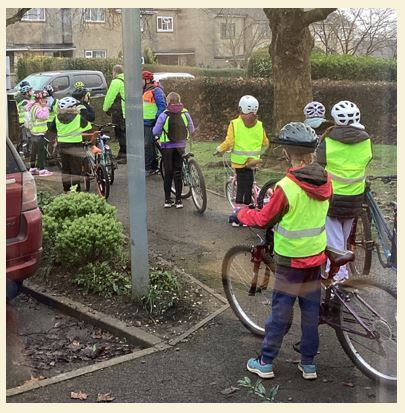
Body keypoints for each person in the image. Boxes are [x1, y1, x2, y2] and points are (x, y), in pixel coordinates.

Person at [233, 122, 332, 381]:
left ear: (287, 153)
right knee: (310, 313)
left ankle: (265, 361)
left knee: (281, 311)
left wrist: (242, 213)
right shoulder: (326, 180)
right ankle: (308, 364)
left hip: (290, 262)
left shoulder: (287, 187)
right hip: (315, 258)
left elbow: (265, 218)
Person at [316, 100, 372, 282]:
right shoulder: (366, 140)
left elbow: (319, 163)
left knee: (334, 241)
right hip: (355, 196)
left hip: (332, 196)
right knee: (344, 236)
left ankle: (339, 277)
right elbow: (366, 160)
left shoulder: (328, 140)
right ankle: (339, 273)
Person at [216, 95, 268, 222]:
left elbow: (229, 142)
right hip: (254, 162)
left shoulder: (235, 124)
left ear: (240, 108)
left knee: (241, 189)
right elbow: (265, 142)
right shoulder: (259, 125)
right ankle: (249, 211)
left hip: (240, 163)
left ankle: (239, 216)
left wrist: (219, 150)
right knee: (248, 186)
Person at [153, 92, 195, 208]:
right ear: (179, 100)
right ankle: (178, 201)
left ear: (168, 101)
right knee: (178, 172)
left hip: (167, 147)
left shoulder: (164, 115)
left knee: (169, 173)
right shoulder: (185, 113)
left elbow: (155, 131)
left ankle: (167, 200)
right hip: (181, 146)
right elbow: (191, 129)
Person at [48, 97, 92, 192]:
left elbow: (52, 131)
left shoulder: (56, 118)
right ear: (72, 107)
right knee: (76, 170)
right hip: (76, 145)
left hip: (63, 146)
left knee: (65, 169)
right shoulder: (78, 117)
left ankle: (66, 190)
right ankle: (76, 191)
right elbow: (88, 127)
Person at [142, 70, 166, 175]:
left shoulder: (156, 91)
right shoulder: (144, 90)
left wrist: (157, 120)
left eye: (141, 80)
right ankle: (153, 167)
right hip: (144, 123)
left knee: (147, 145)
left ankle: (147, 169)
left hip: (152, 123)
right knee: (150, 145)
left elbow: (162, 106)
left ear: (147, 80)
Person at [103, 66, 127, 163]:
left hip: (120, 112)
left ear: (115, 72)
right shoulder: (129, 79)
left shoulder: (116, 82)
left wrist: (105, 108)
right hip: (131, 112)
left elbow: (110, 97)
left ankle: (124, 156)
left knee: (121, 134)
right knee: (129, 135)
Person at [26, 90, 52, 177]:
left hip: (34, 132)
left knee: (34, 151)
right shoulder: (38, 107)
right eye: (44, 98)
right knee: (41, 152)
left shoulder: (33, 106)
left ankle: (32, 168)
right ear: (40, 99)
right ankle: (42, 170)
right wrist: (45, 107)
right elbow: (44, 116)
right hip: (39, 133)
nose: (46, 100)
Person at [15, 81, 34, 154]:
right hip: (25, 121)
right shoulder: (25, 102)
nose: (32, 92)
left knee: (25, 137)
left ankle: (24, 151)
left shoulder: (23, 99)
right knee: (26, 138)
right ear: (26, 92)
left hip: (24, 121)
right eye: (30, 91)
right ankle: (24, 152)